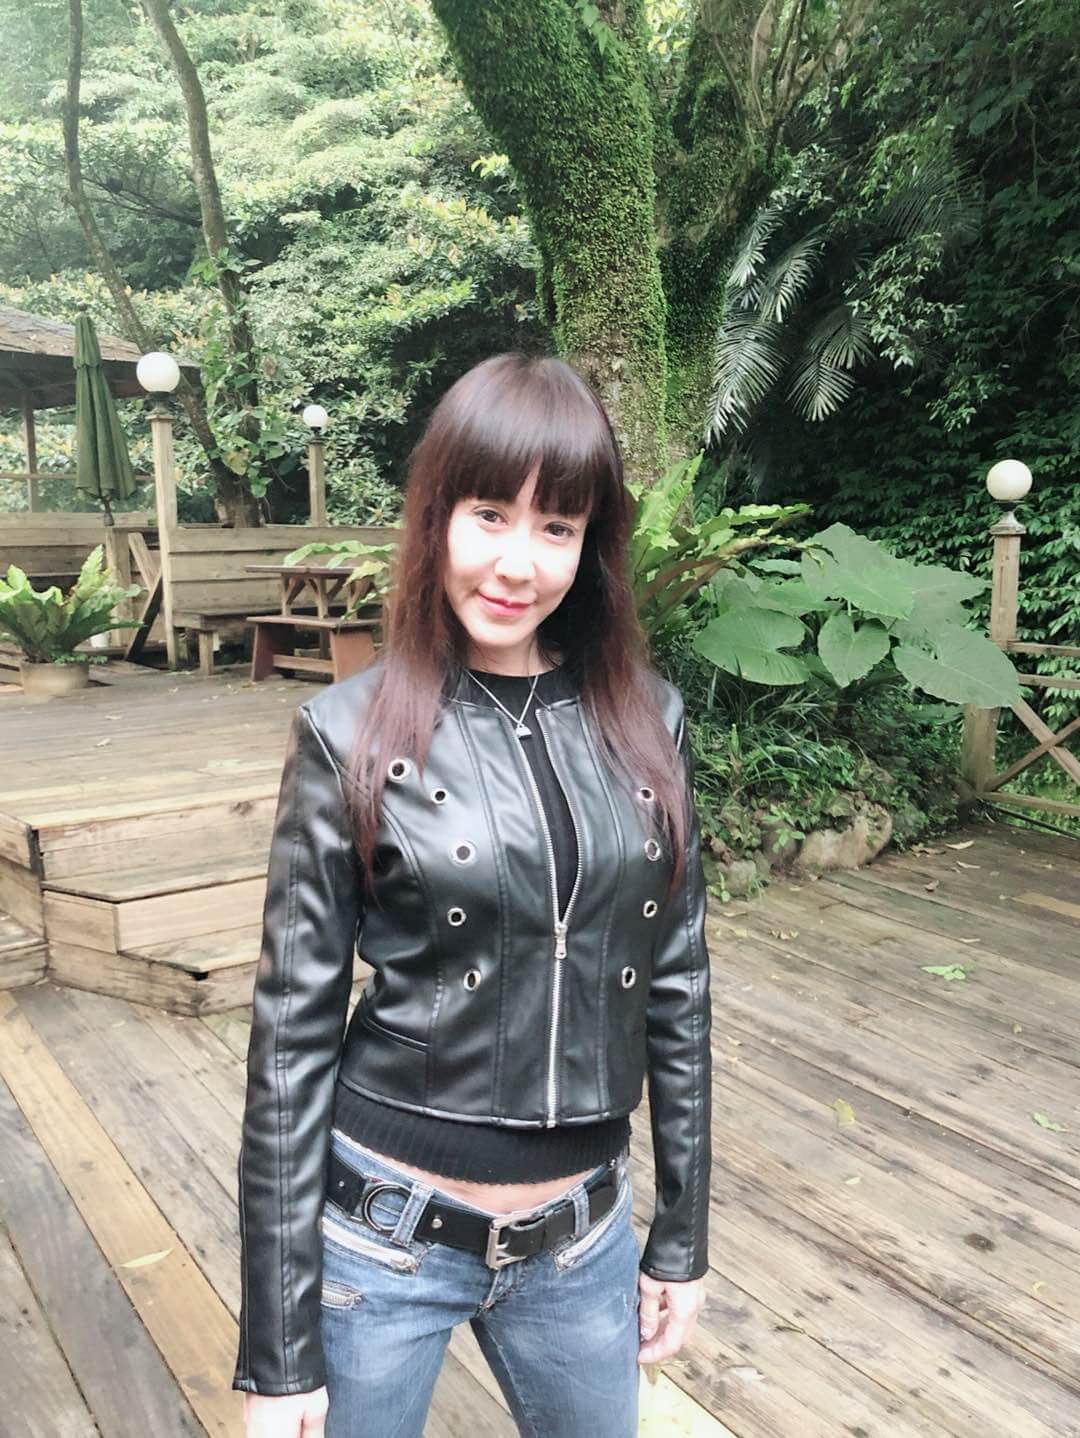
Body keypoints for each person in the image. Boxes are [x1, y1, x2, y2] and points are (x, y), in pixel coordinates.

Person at [233, 353, 712, 1438]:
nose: (517, 563)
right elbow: (290, 1042)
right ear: (437, 517)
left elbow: (678, 983)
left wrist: (681, 1238)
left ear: (592, 546)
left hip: (582, 1243)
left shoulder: (651, 720)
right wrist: (279, 1353)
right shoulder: (347, 735)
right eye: (490, 514)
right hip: (379, 1242)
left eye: (557, 526)